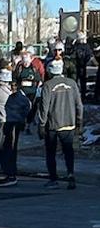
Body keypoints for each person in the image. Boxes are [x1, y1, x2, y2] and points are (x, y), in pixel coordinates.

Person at [38, 56, 82, 190]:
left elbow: (44, 107)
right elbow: (79, 105)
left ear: (50, 71)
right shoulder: (72, 83)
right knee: (68, 151)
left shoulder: (48, 85)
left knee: (51, 153)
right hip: (69, 123)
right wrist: (79, 121)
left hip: (53, 124)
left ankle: (53, 179)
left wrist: (41, 124)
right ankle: (70, 174)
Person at [0, 70, 29, 187]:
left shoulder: (20, 97)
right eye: (11, 85)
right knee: (4, 149)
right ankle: (8, 173)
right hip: (8, 123)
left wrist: (22, 120)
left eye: (15, 85)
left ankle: (11, 174)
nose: (12, 87)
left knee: (10, 149)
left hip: (13, 124)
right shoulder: (9, 95)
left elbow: (27, 108)